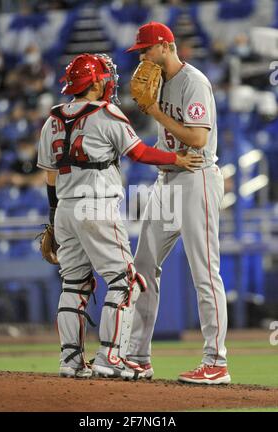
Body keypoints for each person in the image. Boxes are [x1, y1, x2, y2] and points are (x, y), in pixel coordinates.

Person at [37, 52, 203, 380]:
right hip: (96, 206)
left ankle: (70, 361)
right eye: (103, 77)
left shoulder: (52, 119)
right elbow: (138, 152)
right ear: (96, 83)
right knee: (124, 282)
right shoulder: (106, 112)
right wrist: (176, 158)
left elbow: (50, 176)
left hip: (66, 209)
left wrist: (54, 219)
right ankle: (110, 358)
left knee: (73, 284)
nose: (107, 81)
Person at [126, 22, 231, 385]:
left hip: (196, 177)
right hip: (166, 179)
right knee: (142, 266)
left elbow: (199, 139)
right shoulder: (160, 80)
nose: (141, 57)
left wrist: (154, 112)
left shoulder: (194, 82)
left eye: (145, 50)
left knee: (204, 271)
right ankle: (137, 356)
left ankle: (216, 361)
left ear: (165, 46)